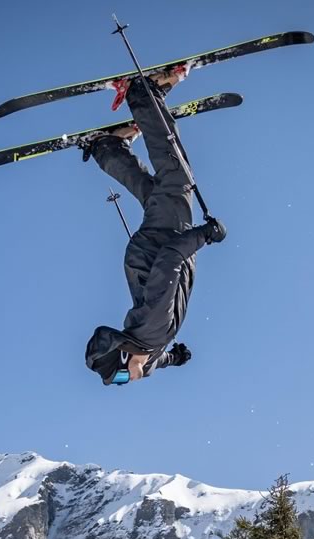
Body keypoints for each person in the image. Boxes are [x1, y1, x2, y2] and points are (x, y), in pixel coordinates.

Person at [81, 67, 226, 386]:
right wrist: (174, 359)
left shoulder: (152, 328)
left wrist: (206, 235)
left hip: (161, 245)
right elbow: (153, 362)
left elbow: (172, 258)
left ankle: (141, 94)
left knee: (176, 179)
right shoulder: (146, 354)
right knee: (156, 196)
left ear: (123, 357)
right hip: (144, 254)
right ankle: (107, 150)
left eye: (120, 377)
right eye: (120, 382)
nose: (128, 381)